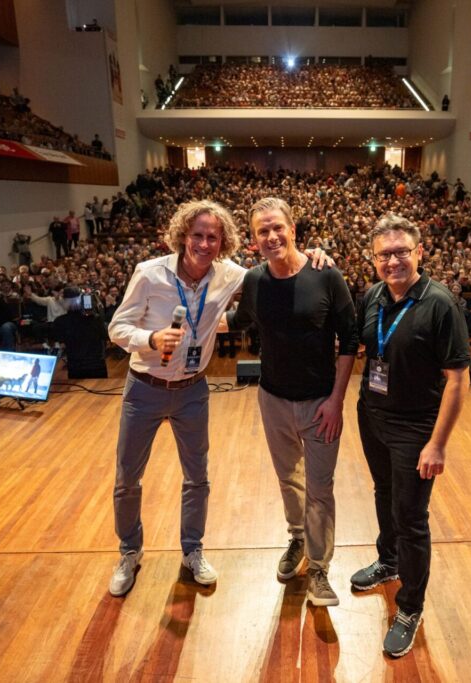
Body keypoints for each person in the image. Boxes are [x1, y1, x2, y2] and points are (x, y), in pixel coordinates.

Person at [106, 200, 330, 596]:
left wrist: (310, 255)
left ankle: (192, 550)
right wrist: (150, 338)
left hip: (193, 390)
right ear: (183, 236)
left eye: (213, 237)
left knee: (198, 478)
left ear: (222, 242)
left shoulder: (231, 275)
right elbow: (117, 327)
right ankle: (129, 551)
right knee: (127, 479)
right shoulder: (149, 273)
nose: (205, 244)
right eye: (198, 235)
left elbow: (276, 269)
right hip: (144, 388)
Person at [225, 197, 358, 608]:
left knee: (320, 488)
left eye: (277, 227)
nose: (271, 236)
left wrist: (337, 400)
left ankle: (319, 568)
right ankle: (298, 539)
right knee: (289, 480)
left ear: (293, 229)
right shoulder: (255, 280)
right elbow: (235, 322)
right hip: (273, 399)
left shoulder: (326, 274)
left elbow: (350, 340)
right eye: (262, 231)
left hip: (321, 403)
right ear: (254, 239)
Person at [351, 214, 470, 658]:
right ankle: (389, 561)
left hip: (416, 427)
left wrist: (437, 444)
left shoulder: (440, 304)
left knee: (412, 516)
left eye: (402, 251)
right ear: (373, 259)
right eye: (384, 254)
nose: (393, 261)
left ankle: (410, 606)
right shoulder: (373, 295)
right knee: (384, 493)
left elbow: (458, 380)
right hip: (373, 416)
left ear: (419, 252)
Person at [53, 287, 109, 378]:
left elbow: (61, 343)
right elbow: (105, 336)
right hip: (97, 365)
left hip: (76, 367)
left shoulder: (60, 322)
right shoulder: (95, 319)